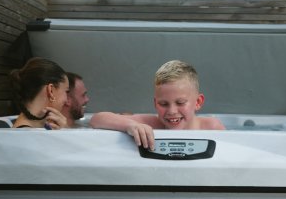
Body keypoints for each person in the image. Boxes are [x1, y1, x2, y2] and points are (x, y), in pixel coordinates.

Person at [90, 60, 225, 150]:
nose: (172, 111)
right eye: (163, 104)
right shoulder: (151, 123)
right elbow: (97, 119)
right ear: (155, 103)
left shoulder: (211, 126)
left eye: (180, 103)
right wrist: (130, 125)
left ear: (198, 102)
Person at [9, 57, 69, 129]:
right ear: (51, 90)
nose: (67, 101)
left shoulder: (41, 129)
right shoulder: (28, 136)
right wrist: (66, 135)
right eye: (66, 91)